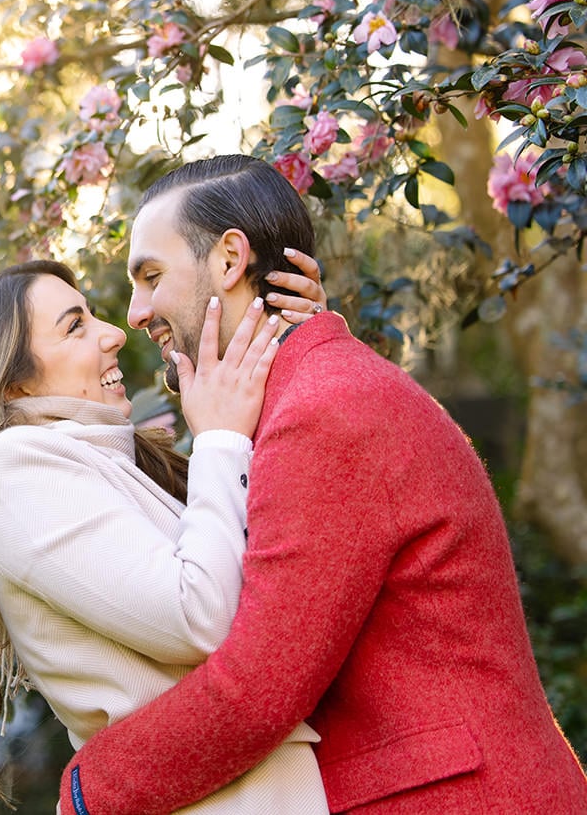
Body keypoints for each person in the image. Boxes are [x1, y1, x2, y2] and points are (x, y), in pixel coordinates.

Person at [58, 154, 587, 814]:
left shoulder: (323, 413)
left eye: (151, 275)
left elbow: (259, 688)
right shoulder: (314, 395)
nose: (136, 311)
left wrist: (89, 788)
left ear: (229, 261)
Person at [0, 254, 331, 812]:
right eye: (75, 326)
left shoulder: (104, 462)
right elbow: (198, 613)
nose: (113, 335)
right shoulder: (17, 468)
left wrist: (302, 342)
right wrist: (220, 439)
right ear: (13, 386)